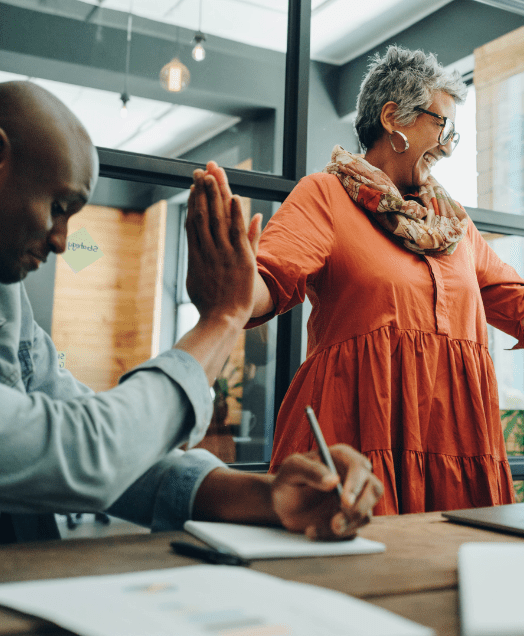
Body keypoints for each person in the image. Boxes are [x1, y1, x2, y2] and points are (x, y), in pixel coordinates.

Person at [202, 45, 524, 515]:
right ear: (393, 118)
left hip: (456, 437)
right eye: (443, 125)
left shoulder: (452, 224)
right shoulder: (325, 195)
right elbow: (267, 284)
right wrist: (233, 287)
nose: (449, 147)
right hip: (361, 432)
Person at [0, 80, 382, 543]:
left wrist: (268, 497)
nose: (61, 240)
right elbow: (83, 454)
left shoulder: (9, 300)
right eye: (58, 206)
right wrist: (221, 319)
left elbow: (118, 454)